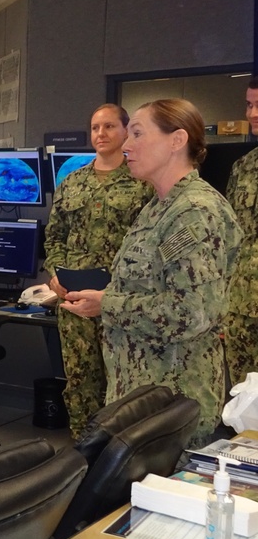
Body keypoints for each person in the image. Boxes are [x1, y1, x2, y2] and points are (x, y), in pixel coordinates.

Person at [61, 98, 240, 447]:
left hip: (171, 403)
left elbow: (190, 313)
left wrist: (107, 304)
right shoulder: (159, 207)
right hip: (140, 396)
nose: (126, 145)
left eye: (138, 134)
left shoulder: (193, 212)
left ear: (177, 141)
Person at [44, 104, 152, 437]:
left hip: (121, 301)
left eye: (108, 127)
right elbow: (54, 235)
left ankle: (120, 455)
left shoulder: (143, 182)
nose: (100, 135)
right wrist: (55, 275)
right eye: (94, 128)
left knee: (124, 383)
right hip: (73, 299)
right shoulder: (72, 182)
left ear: (126, 131)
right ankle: (84, 450)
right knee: (80, 380)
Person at [223, 76, 258, 386]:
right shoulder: (243, 167)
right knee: (242, 397)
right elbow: (230, 236)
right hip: (241, 307)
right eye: (249, 105)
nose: (252, 114)